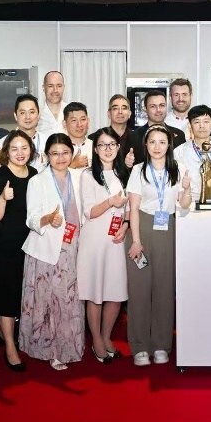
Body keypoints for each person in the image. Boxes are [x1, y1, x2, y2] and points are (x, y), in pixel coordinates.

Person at [126, 125, 193, 366]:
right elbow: (133, 208)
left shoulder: (179, 169)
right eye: (152, 142)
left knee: (165, 288)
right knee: (140, 290)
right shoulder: (138, 170)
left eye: (162, 142)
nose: (157, 147)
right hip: (142, 228)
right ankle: (139, 346)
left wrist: (187, 188)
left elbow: (184, 204)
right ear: (146, 145)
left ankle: (162, 344)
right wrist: (136, 241)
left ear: (169, 145)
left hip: (169, 229)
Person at [21, 133, 85, 370]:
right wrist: (48, 218)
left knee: (69, 300)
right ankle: (50, 350)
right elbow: (31, 218)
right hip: (46, 248)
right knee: (48, 301)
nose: (60, 158)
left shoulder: (79, 177)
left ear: (72, 153)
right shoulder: (37, 181)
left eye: (65, 152)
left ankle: (70, 347)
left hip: (74, 245)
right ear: (46, 155)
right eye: (55, 153)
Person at [0, 130, 37, 371]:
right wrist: (4, 198)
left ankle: (9, 333)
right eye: (14, 148)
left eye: (24, 148)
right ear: (7, 151)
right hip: (5, 247)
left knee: (23, 293)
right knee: (7, 295)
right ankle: (9, 345)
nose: (20, 153)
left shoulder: (35, 175)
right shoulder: (0, 176)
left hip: (31, 244)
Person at [78, 127, 130, 362]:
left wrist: (125, 226)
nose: (108, 149)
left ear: (118, 147)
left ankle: (107, 335)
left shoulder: (124, 173)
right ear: (96, 149)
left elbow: (130, 207)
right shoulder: (88, 175)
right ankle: (97, 340)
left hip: (116, 239)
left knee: (116, 292)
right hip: (94, 240)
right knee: (95, 292)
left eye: (112, 144)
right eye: (102, 145)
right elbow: (89, 212)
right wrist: (110, 202)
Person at [126, 89, 185, 166]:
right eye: (153, 106)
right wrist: (128, 164)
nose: (158, 110)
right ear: (145, 109)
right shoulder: (134, 137)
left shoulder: (179, 135)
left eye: (162, 105)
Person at [13, 93, 45, 170]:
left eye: (32, 112)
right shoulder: (4, 143)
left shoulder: (47, 141)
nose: (28, 117)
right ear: (15, 116)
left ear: (38, 115)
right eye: (22, 113)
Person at [36, 70, 67, 138]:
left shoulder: (71, 112)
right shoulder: (36, 114)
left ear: (63, 87)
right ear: (43, 88)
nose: (55, 90)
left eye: (59, 86)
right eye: (50, 86)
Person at [64, 101, 92, 171]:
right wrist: (73, 165)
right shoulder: (58, 148)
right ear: (64, 124)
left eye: (83, 119)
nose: (79, 124)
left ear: (88, 122)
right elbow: (52, 175)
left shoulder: (96, 147)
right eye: (74, 120)